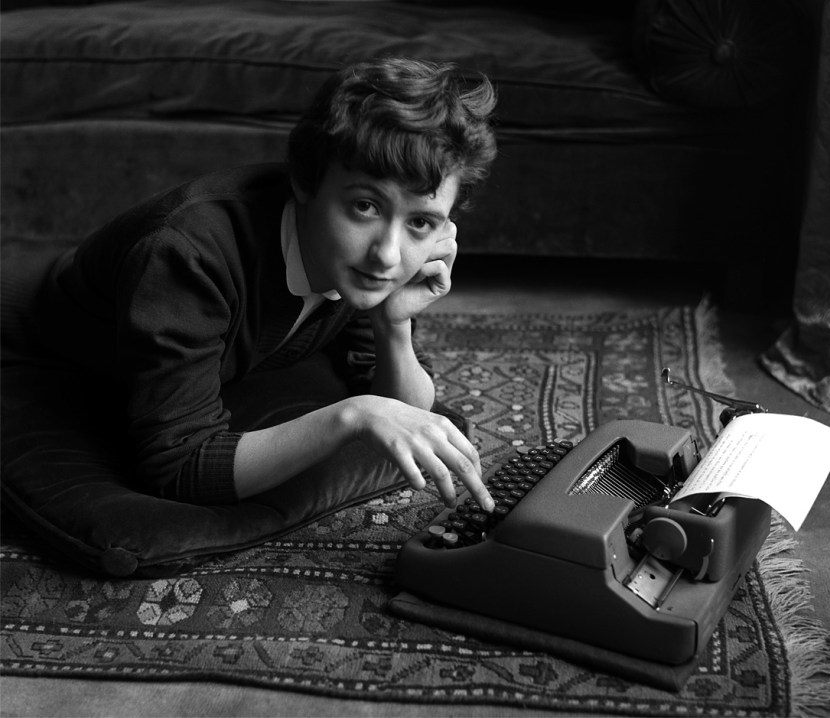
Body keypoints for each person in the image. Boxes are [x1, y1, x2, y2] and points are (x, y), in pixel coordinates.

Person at [29, 57, 499, 517]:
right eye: (364, 207)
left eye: (420, 221)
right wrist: (354, 416)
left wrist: (392, 323)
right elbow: (176, 468)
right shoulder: (185, 254)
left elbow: (406, 410)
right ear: (304, 182)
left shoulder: (361, 263)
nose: (388, 255)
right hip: (46, 351)